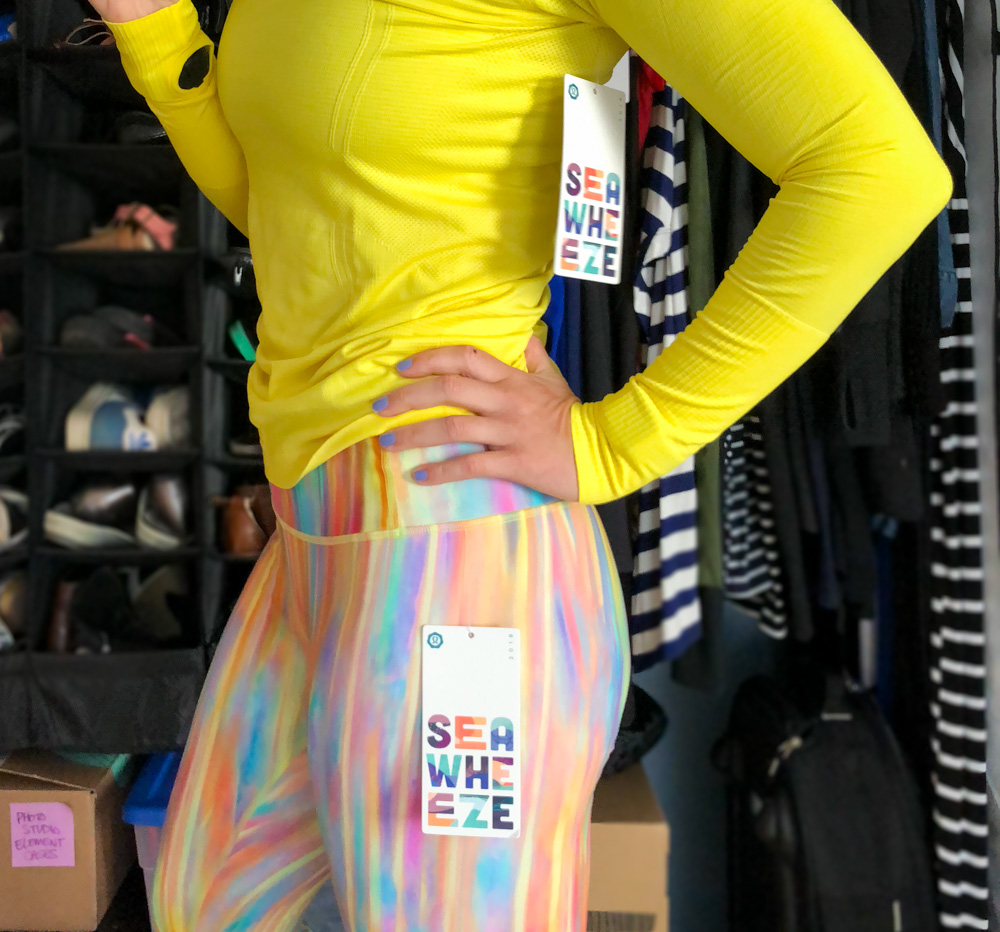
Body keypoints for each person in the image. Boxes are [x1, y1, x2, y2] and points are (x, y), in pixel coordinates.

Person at [92, 0, 951, 929]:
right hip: (316, 542)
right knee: (208, 905)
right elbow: (298, 206)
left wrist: (618, 441)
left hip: (462, 562)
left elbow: (877, 167)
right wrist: (159, 37)